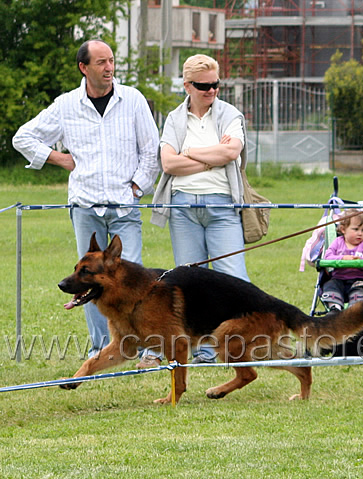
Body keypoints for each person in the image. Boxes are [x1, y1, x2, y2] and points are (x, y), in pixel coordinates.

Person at [12, 39, 160, 363]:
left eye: (111, 61)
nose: (109, 68)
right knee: (89, 278)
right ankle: (100, 348)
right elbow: (22, 137)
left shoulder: (133, 100)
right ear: (84, 67)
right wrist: (58, 158)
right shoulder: (65, 105)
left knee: (132, 277)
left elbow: (152, 150)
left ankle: (146, 346)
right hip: (84, 206)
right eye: (101, 62)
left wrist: (138, 186)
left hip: (125, 205)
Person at [150, 54, 250, 364]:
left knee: (234, 278)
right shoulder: (174, 119)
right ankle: (203, 352)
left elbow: (232, 150)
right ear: (187, 86)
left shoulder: (231, 114)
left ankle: (242, 346)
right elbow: (168, 163)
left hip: (222, 206)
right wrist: (212, 156)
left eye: (216, 85)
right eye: (203, 86)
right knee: (190, 284)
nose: (211, 91)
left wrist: (190, 153)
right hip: (182, 208)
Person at [321, 211, 363, 311]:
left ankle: (354, 311)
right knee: (329, 286)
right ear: (343, 229)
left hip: (360, 280)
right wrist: (342, 258)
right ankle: (335, 309)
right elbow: (327, 257)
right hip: (339, 279)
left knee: (359, 292)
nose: (360, 233)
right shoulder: (338, 242)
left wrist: (361, 262)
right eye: (356, 229)